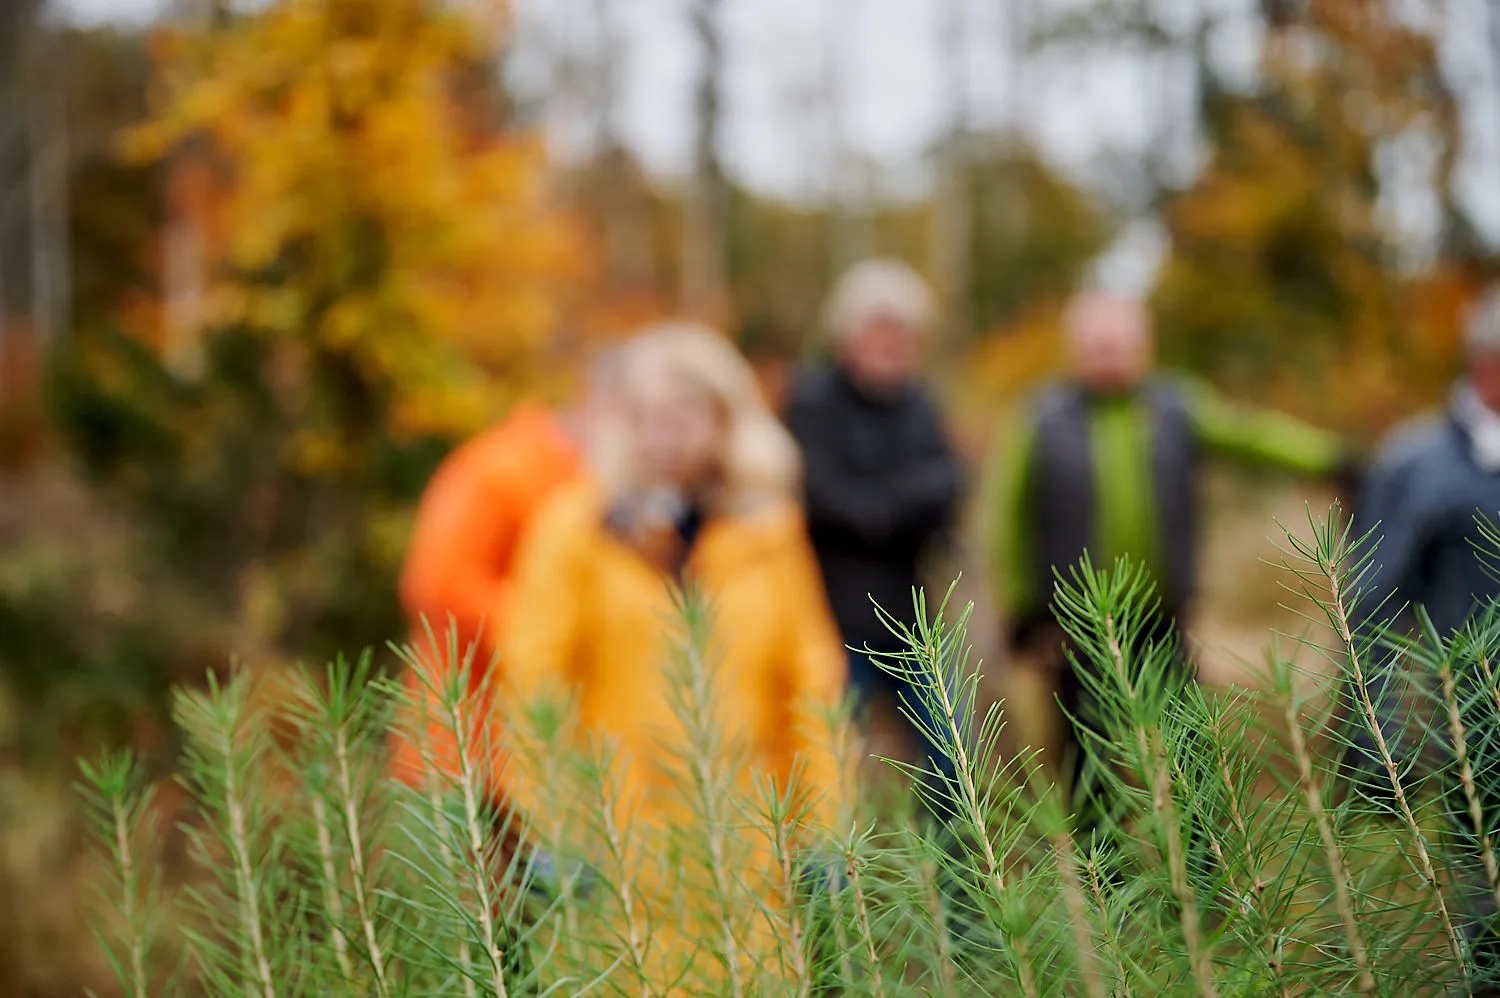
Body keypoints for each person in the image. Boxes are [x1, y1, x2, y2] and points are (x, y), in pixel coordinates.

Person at [502, 322, 848, 992]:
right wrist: (556, 824)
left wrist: (825, 826)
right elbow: (534, 681)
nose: (665, 432)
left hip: (746, 858)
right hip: (619, 855)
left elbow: (812, 686)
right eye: (646, 414)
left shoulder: (769, 533)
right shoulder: (574, 528)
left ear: (725, 421)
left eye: (686, 411)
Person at [987, 291, 1355, 825]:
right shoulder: (1041, 419)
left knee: (1191, 751)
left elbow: (1249, 437)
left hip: (1161, 621)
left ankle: (1207, 880)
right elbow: (1007, 519)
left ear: (1144, 347)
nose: (1109, 356)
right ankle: (1102, 883)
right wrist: (1021, 608)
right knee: (1086, 761)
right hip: (1075, 630)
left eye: (1120, 345)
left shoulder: (1176, 408)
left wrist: (1327, 457)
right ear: (1074, 350)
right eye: (1097, 346)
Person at [1348, 287, 1500, 991]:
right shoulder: (1417, 462)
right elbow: (1372, 605)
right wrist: (1373, 735)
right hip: (1474, 728)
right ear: (1486, 364)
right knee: (1488, 902)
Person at [388, 349, 620, 797]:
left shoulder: (599, 479)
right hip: (471, 744)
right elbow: (437, 584)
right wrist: (554, 633)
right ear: (599, 402)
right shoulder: (502, 468)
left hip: (556, 757)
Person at [783, 258, 965, 820]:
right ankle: (835, 892)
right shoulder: (812, 402)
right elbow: (825, 499)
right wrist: (895, 504)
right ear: (848, 334)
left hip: (912, 616)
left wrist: (880, 505)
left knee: (952, 762)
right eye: (880, 330)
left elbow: (950, 488)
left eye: (903, 333)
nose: (892, 343)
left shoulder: (920, 403)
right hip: (831, 619)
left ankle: (956, 894)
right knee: (828, 766)